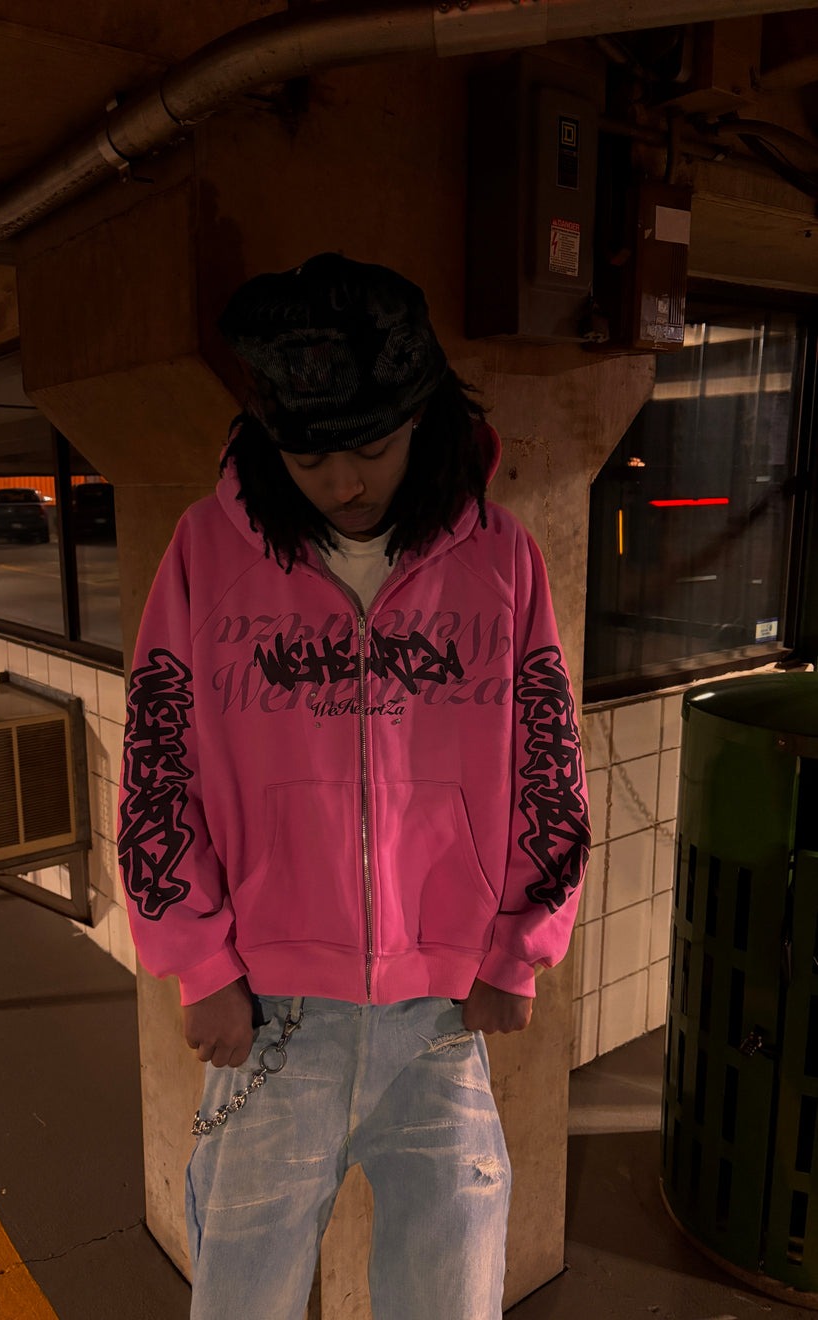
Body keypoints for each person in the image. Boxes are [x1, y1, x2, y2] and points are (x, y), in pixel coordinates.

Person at [118, 252, 590, 1320]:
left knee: (450, 1301)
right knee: (241, 1304)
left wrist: (519, 946)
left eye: (371, 449)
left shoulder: (502, 560)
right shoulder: (205, 553)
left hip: (441, 1014)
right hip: (271, 1012)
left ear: (424, 419)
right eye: (309, 457)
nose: (342, 483)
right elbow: (157, 761)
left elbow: (549, 760)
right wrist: (199, 963)